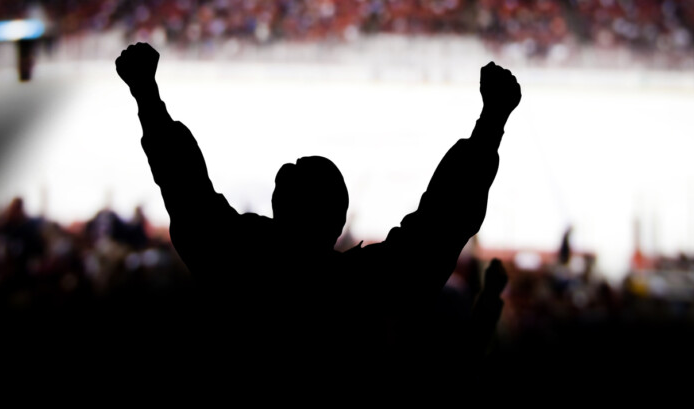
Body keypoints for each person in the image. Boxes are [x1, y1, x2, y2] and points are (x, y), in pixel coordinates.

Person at [114, 41, 522, 370]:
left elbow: (186, 191)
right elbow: (436, 232)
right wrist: (490, 124)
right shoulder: (359, 289)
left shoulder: (232, 264)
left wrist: (147, 96)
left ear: (276, 207)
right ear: (339, 221)